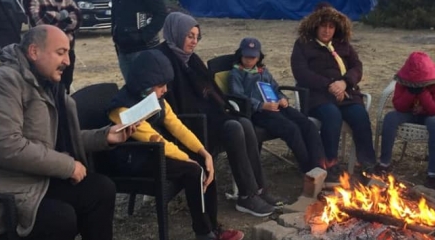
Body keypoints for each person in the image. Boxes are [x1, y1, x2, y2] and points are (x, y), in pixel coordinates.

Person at [0, 25, 136, 240]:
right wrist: (68, 166)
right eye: (61, 53)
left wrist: (104, 136)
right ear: (34, 52)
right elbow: (5, 148)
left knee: (100, 189)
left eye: (68, 53)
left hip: (28, 181)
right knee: (60, 219)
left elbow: (53, 141)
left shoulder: (41, 84)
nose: (68, 61)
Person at [108, 49, 243, 240]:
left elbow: (177, 127)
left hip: (152, 152)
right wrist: (189, 160)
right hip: (132, 160)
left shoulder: (156, 99)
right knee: (193, 170)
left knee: (203, 164)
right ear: (145, 83)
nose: (165, 90)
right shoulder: (122, 109)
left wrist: (203, 152)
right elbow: (155, 140)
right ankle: (203, 232)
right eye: (161, 85)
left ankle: (212, 226)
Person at [157, 12, 280, 217]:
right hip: (188, 123)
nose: (194, 41)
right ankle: (246, 196)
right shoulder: (163, 59)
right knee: (233, 128)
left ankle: (259, 189)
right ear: (176, 33)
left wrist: (223, 107)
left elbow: (211, 90)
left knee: (244, 123)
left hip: (207, 116)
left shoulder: (191, 59)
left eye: (197, 37)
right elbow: (172, 103)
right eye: (189, 36)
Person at [290, 3, 377, 181]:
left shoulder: (342, 44)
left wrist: (345, 82)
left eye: (331, 26)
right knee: (332, 115)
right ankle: (329, 164)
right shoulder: (303, 45)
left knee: (360, 114)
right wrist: (329, 84)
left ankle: (367, 163)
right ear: (315, 25)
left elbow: (356, 66)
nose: (327, 30)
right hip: (317, 96)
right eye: (323, 26)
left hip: (344, 94)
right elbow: (301, 73)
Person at [229, 37, 325, 173]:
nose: (249, 60)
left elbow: (275, 88)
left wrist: (282, 98)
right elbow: (238, 97)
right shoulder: (236, 74)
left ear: (258, 57)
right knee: (291, 129)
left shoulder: (263, 71)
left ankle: (320, 166)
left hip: (277, 106)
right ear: (240, 55)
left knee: (307, 124)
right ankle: (308, 170)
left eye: (253, 57)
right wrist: (261, 105)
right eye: (246, 56)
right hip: (258, 113)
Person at [378, 51, 435, 189]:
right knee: (390, 118)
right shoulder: (404, 77)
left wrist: (423, 92)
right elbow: (398, 105)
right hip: (410, 112)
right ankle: (384, 164)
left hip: (432, 113)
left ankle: (433, 173)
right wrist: (410, 93)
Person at [21, 0, 81, 93]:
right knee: (47, 90)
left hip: (67, 49)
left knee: (64, 88)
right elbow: (39, 21)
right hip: (45, 52)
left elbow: (77, 17)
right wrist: (63, 16)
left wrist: (57, 18)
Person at [111, 0, 167, 81]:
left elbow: (160, 13)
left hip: (144, 50)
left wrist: (144, 36)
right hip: (123, 49)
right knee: (131, 89)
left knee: (148, 90)